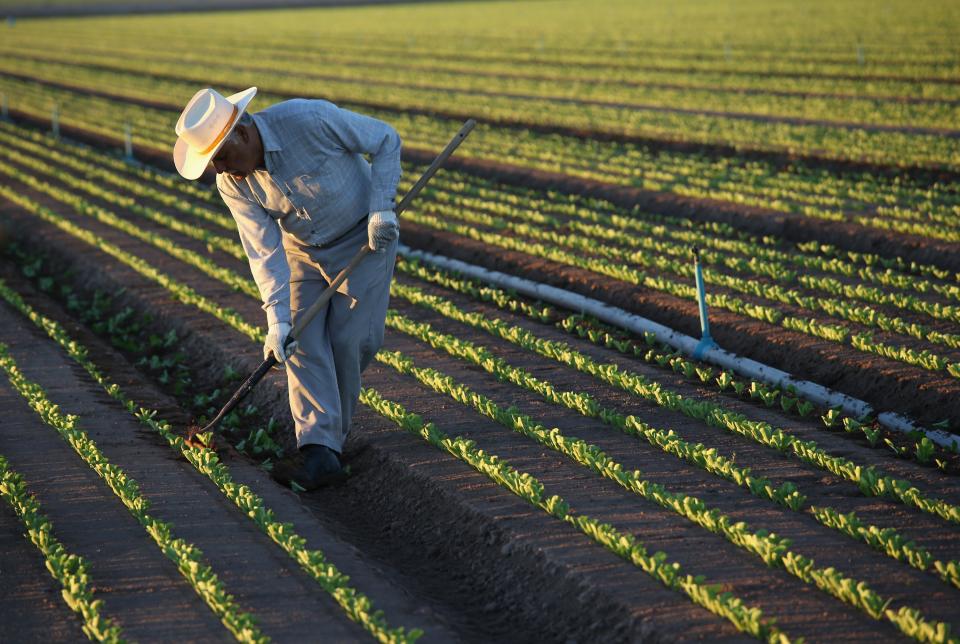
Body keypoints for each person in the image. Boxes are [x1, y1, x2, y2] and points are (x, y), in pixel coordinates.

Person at [173, 86, 401, 490]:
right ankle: (319, 449)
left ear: (241, 132)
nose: (222, 170)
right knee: (300, 338)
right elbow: (262, 252)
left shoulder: (309, 120)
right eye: (213, 164)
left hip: (363, 239)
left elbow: (385, 138)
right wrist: (276, 322)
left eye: (222, 157)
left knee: (352, 342)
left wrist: (382, 207)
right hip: (302, 250)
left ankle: (333, 439)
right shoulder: (233, 184)